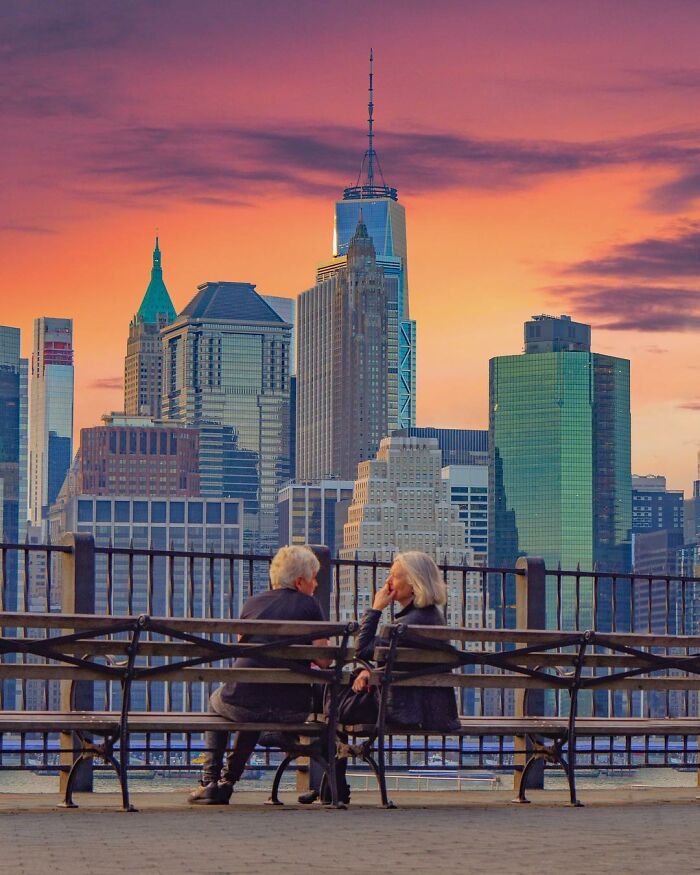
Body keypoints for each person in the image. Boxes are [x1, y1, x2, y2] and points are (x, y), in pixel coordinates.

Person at [299, 550, 459, 805]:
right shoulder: (432, 618)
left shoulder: (404, 626)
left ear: (414, 583)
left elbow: (362, 649)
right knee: (332, 693)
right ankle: (331, 784)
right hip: (422, 706)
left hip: (395, 707)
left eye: (394, 577)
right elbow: (404, 666)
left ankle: (329, 779)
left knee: (325, 688)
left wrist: (376, 608)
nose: (388, 583)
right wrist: (372, 672)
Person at [188, 545, 329, 805]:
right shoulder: (310, 605)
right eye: (313, 578)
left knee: (219, 702)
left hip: (242, 703)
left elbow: (242, 644)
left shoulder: (252, 602)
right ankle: (228, 780)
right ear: (300, 582)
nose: (317, 584)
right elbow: (323, 660)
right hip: (292, 708)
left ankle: (210, 781)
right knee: (259, 699)